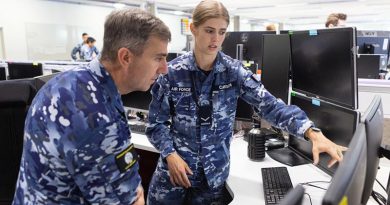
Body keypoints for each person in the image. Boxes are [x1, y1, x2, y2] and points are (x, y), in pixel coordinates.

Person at [146, 0, 347, 204]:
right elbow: (155, 125)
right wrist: (170, 154)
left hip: (212, 178)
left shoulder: (234, 72)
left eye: (222, 32)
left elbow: (271, 106)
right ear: (193, 29)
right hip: (173, 175)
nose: (216, 39)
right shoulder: (171, 73)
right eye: (209, 30)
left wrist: (311, 132)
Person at [13, 8, 171, 205]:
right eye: (158, 57)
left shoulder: (65, 82)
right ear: (126, 57)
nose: (164, 68)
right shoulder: (95, 115)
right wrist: (135, 192)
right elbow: (130, 201)